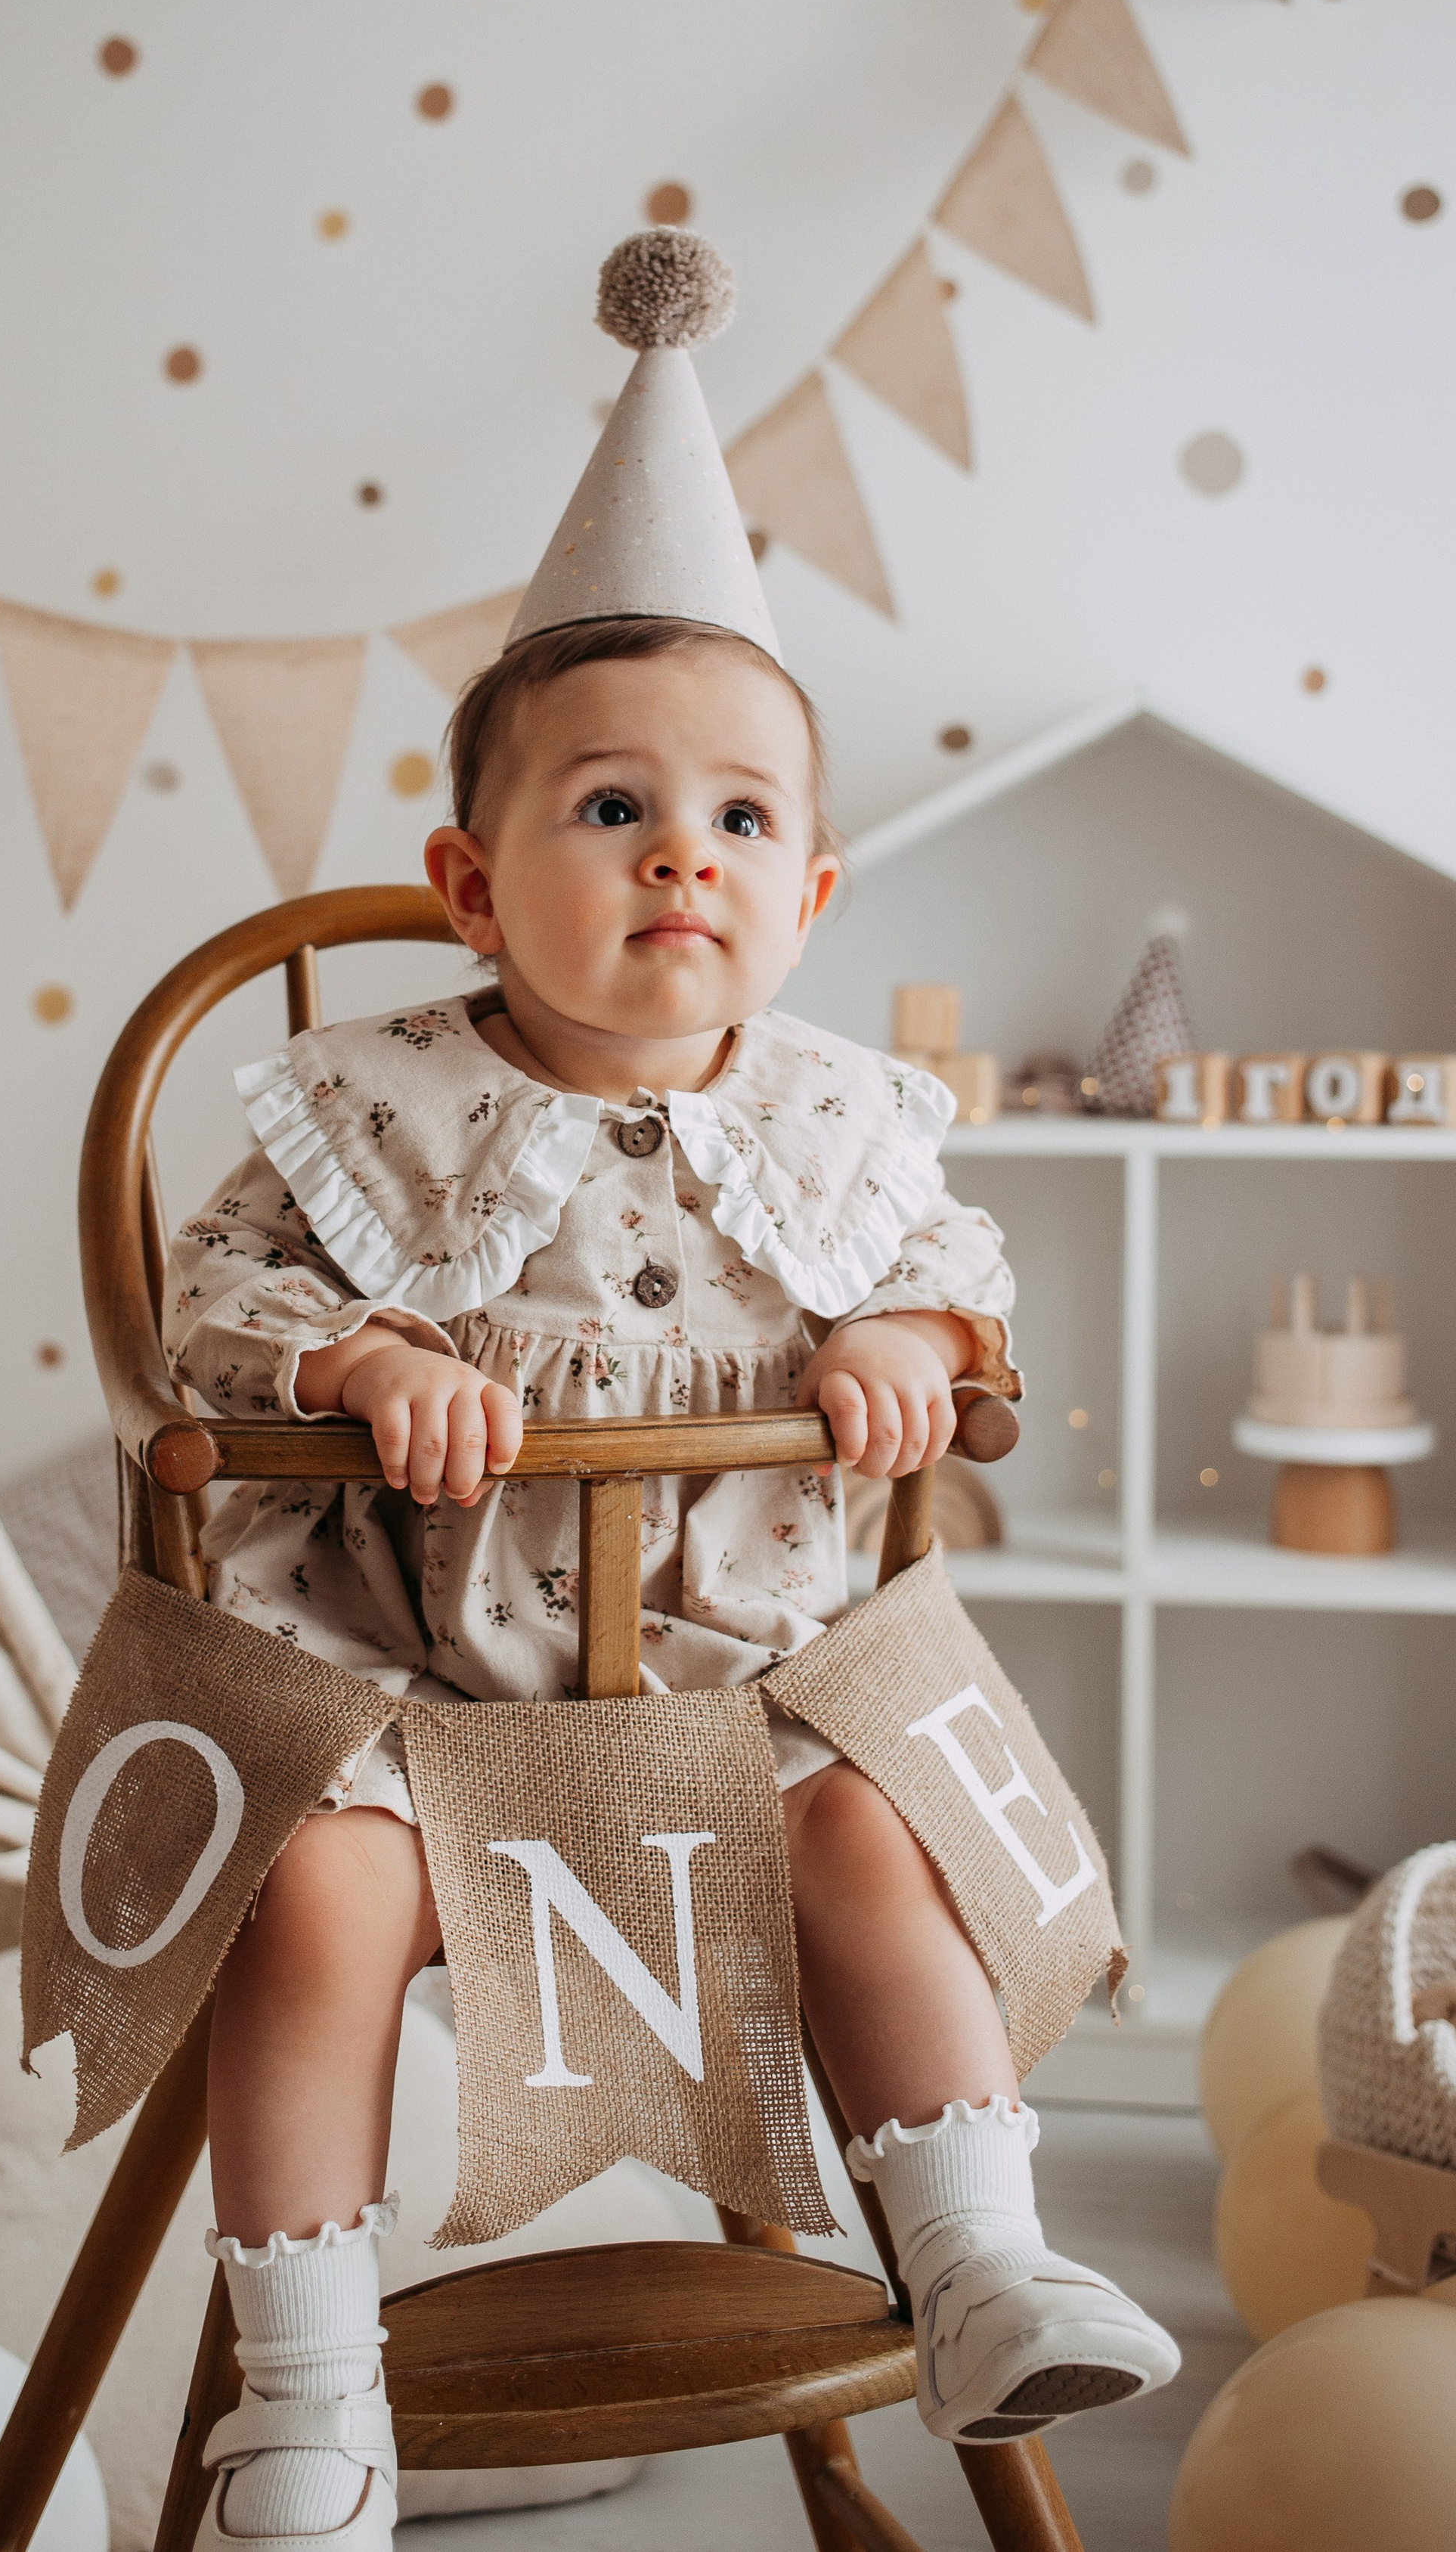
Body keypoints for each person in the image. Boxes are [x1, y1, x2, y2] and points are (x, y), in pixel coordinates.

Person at [165, 237, 1178, 2551]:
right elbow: (201, 1292)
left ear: (806, 891)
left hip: (750, 1693)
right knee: (308, 1904)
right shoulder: (370, 1107)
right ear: (471, 878)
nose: (677, 860)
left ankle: (976, 2260)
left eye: (734, 821)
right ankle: (307, 2398)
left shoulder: (843, 1120)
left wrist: (916, 1343)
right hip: (424, 1703)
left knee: (864, 1839)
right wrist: (356, 1347)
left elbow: (958, 1264)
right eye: (610, 807)